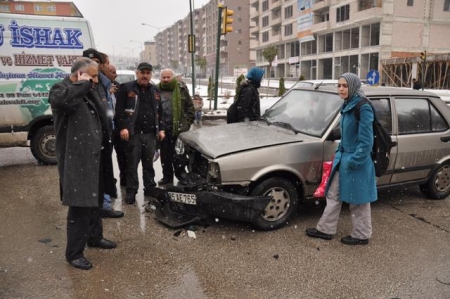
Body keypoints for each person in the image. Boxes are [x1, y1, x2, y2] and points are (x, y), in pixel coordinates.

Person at [49, 57, 117, 270]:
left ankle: (95, 237)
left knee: (95, 202)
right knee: (79, 207)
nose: (96, 81)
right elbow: (61, 102)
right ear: (80, 74)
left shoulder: (87, 89)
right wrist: (82, 83)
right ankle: (74, 253)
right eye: (93, 76)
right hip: (77, 159)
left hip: (95, 157)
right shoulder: (62, 88)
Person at [306, 72, 377, 246]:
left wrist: (355, 160)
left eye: (345, 86)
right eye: (339, 85)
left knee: (358, 200)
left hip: (356, 162)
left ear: (353, 87)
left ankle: (361, 235)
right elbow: (346, 135)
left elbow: (367, 141)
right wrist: (340, 152)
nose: (341, 89)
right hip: (343, 159)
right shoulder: (347, 104)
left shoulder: (363, 106)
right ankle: (325, 229)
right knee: (333, 194)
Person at [115, 62, 165, 204]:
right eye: (142, 72)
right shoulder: (127, 88)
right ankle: (131, 191)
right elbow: (119, 112)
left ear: (151, 75)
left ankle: (149, 188)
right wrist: (123, 127)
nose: (145, 75)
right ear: (137, 73)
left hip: (150, 134)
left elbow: (160, 112)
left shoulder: (155, 90)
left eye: (148, 73)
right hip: (133, 134)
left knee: (148, 164)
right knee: (132, 164)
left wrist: (161, 129)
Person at [82, 49, 124, 218]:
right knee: (96, 172)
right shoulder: (85, 83)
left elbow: (107, 109)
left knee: (105, 169)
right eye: (92, 62)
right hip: (94, 135)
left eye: (99, 62)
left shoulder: (103, 83)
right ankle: (100, 206)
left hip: (106, 132)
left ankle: (103, 203)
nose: (97, 66)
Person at [157, 68, 195, 185]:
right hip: (163, 129)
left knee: (179, 154)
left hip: (178, 129)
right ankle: (167, 177)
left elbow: (190, 108)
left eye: (169, 77)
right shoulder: (156, 90)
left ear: (173, 78)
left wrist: (186, 123)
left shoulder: (181, 90)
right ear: (160, 78)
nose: (166, 79)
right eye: (164, 77)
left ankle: (181, 175)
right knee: (165, 155)